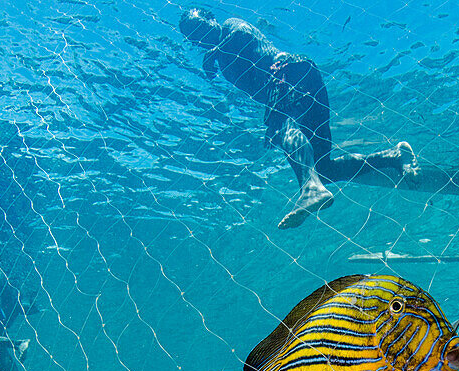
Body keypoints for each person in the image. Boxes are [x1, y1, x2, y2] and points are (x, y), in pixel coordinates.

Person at [179, 8, 419, 229]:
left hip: (290, 71)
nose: (199, 37)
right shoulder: (221, 59)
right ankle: (393, 156)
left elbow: (244, 34)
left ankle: (310, 189)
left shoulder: (230, 26)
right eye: (193, 36)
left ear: (211, 17)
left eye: (199, 28)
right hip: (297, 85)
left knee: (282, 128)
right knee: (323, 169)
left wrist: (215, 52)